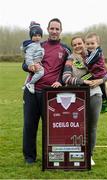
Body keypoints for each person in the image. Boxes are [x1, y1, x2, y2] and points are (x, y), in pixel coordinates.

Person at [22, 18, 71, 164]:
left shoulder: (66, 49)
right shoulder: (38, 45)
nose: (54, 31)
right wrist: (28, 67)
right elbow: (25, 63)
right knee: (29, 125)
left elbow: (67, 71)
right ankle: (29, 157)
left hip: (51, 94)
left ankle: (50, 156)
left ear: (61, 30)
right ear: (48, 30)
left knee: (51, 128)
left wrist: (61, 82)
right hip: (32, 91)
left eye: (57, 29)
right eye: (52, 28)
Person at [62, 35, 107, 165]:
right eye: (75, 45)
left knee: (92, 127)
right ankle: (75, 153)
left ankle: (89, 155)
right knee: (76, 127)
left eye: (80, 43)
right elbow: (66, 78)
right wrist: (84, 81)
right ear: (72, 47)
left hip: (95, 95)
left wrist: (100, 80)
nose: (78, 46)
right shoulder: (70, 59)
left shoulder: (94, 55)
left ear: (84, 44)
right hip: (77, 97)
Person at [84, 32, 107, 113]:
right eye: (88, 44)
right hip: (95, 72)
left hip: (98, 73)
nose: (90, 45)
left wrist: (83, 62)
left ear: (98, 44)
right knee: (83, 79)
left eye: (92, 43)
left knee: (101, 86)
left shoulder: (96, 52)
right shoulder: (91, 52)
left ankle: (104, 102)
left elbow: (88, 61)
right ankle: (104, 102)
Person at [21, 21, 44, 94]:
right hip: (33, 63)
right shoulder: (32, 45)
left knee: (30, 74)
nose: (37, 37)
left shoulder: (38, 44)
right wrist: (31, 64)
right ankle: (31, 83)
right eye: (35, 36)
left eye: (39, 35)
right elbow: (28, 56)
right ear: (31, 36)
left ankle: (25, 85)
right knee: (41, 72)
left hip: (36, 62)